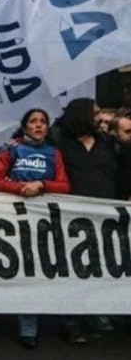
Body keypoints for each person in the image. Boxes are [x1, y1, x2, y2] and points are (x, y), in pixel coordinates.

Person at [0, 108, 70, 349]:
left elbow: (65, 185)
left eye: (43, 121)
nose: (38, 125)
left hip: (44, 222)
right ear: (25, 127)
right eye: (33, 121)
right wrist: (21, 188)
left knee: (41, 269)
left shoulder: (54, 153)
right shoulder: (11, 150)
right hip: (14, 219)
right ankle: (27, 327)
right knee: (24, 270)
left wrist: (42, 184)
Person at [55, 98, 117, 341]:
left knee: (100, 265)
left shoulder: (107, 143)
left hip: (105, 216)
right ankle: (71, 321)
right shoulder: (60, 143)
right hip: (71, 217)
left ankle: (96, 314)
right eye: (95, 112)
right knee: (73, 268)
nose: (99, 117)